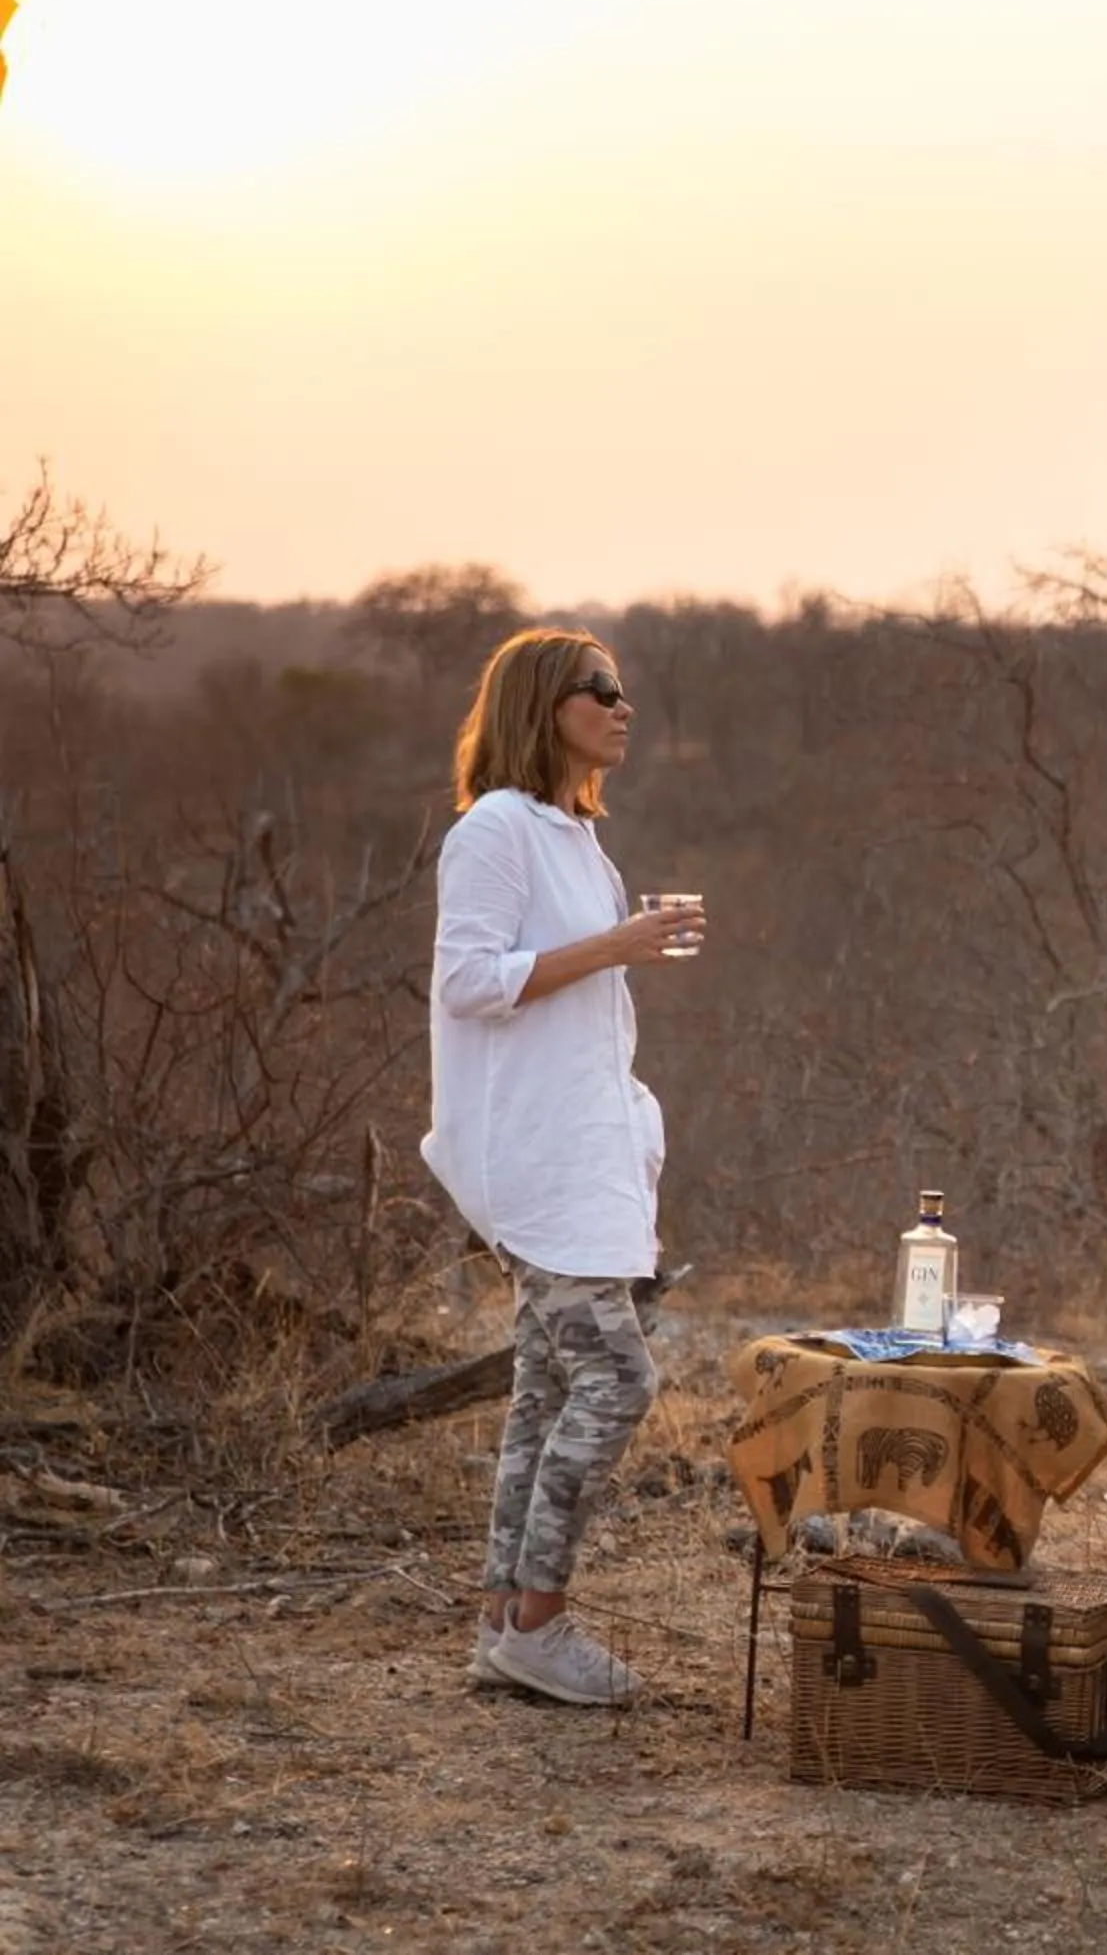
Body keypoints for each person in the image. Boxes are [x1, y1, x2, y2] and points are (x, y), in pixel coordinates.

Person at [421, 629, 706, 1704]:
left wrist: (620, 948)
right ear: (543, 706)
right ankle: (541, 1623)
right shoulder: (494, 829)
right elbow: (469, 982)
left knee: (543, 1391)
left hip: (585, 1151)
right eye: (601, 689)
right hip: (535, 1158)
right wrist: (618, 945)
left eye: (622, 689)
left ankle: (503, 1623)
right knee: (619, 1377)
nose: (623, 706)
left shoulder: (579, 839)